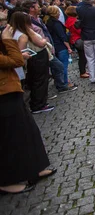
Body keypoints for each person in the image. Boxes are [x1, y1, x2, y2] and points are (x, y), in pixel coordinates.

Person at [0, 25, 56, 194]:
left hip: (11, 91)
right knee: (8, 138)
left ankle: (34, 168)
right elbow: (15, 61)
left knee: (28, 131)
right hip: (3, 96)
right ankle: (6, 181)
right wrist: (8, 40)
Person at [45, 6, 74, 89]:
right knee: (63, 66)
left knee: (57, 67)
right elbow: (62, 36)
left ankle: (58, 81)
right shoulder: (56, 23)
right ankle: (64, 82)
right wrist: (68, 47)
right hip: (60, 46)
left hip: (54, 47)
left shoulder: (48, 22)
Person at [64, 6, 88, 79]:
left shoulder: (69, 20)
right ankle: (82, 72)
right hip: (78, 39)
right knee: (82, 56)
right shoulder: (74, 21)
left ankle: (83, 71)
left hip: (74, 39)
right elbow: (78, 30)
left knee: (82, 56)